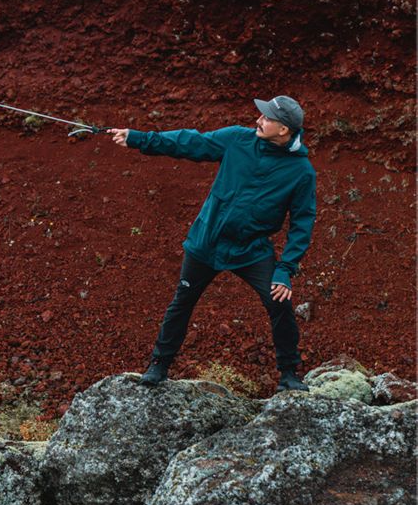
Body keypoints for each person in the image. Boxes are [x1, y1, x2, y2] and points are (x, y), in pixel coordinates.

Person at [109, 96, 316, 393]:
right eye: (260, 115)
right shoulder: (237, 139)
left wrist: (285, 268)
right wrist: (139, 138)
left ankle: (289, 374)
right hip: (208, 241)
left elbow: (302, 222)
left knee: (279, 301)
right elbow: (189, 142)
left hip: (251, 250)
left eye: (267, 118)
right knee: (182, 302)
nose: (258, 120)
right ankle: (159, 365)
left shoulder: (301, 172)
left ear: (283, 130)